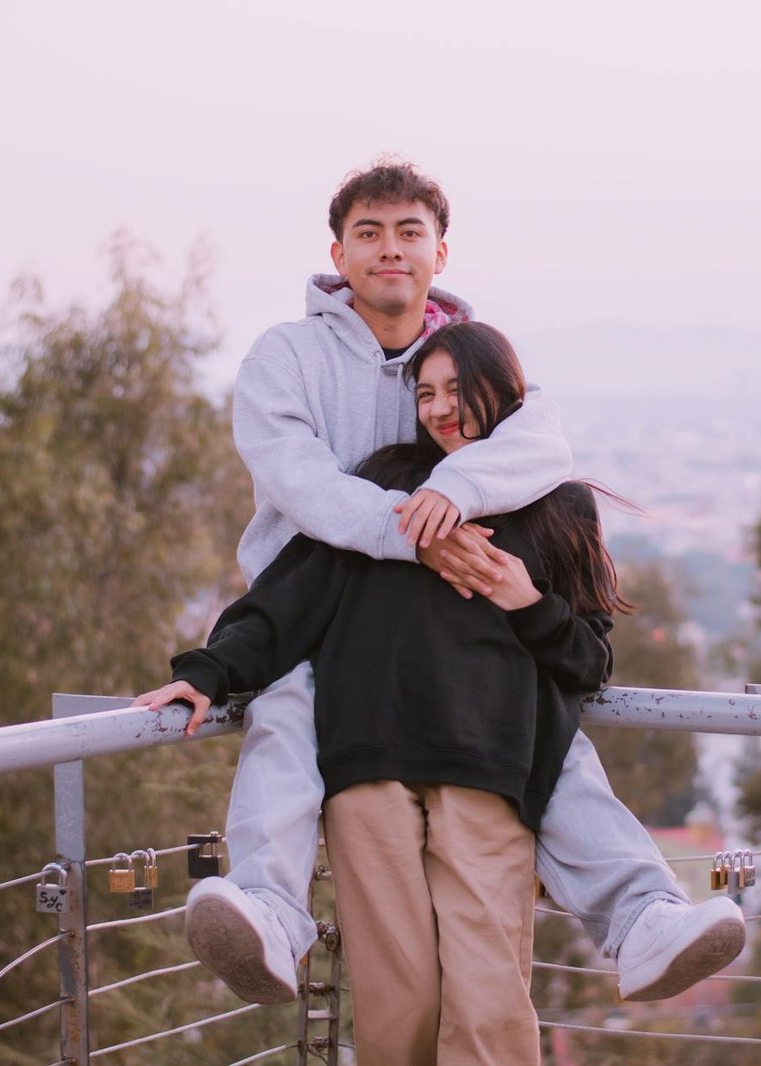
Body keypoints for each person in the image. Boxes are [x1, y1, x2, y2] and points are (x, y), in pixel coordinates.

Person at [168, 160, 743, 1009]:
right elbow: (303, 483)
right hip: (303, 609)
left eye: (409, 233)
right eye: (369, 233)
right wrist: (419, 532)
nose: (389, 250)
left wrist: (455, 496)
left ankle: (643, 919)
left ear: (441, 252)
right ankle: (270, 915)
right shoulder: (285, 357)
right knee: (283, 726)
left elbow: (540, 442)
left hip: (448, 625)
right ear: (338, 250)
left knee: (549, 738)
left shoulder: (466, 354)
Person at [139, 322, 617, 1062]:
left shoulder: (559, 504)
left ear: (506, 388)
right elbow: (288, 603)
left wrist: (527, 602)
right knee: (398, 1004)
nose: (439, 407)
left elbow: (589, 662)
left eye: (457, 388)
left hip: (488, 769)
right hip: (366, 765)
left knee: (489, 1002)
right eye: (425, 393)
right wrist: (208, 670)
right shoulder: (383, 482)